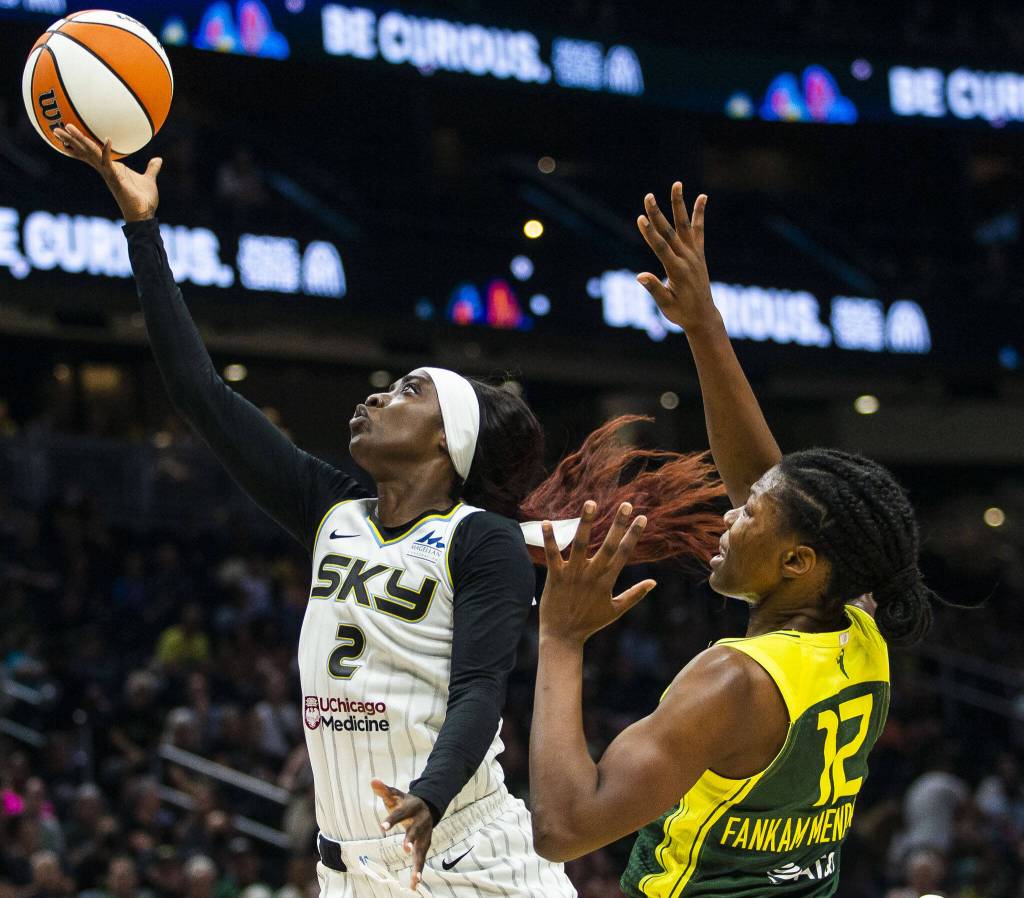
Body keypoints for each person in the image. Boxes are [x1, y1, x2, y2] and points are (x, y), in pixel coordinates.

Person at [56, 127, 725, 897]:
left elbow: (479, 691)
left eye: (410, 390)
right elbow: (199, 394)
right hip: (350, 871)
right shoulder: (331, 510)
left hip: (470, 858)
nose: (378, 395)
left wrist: (431, 794)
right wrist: (141, 225)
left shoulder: (481, 542)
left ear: (449, 440)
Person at [528, 183, 968, 896]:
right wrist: (703, 327)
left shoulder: (734, 681)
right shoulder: (860, 633)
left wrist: (561, 638)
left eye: (748, 514)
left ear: (797, 563)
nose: (730, 514)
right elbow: (777, 490)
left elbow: (565, 829)